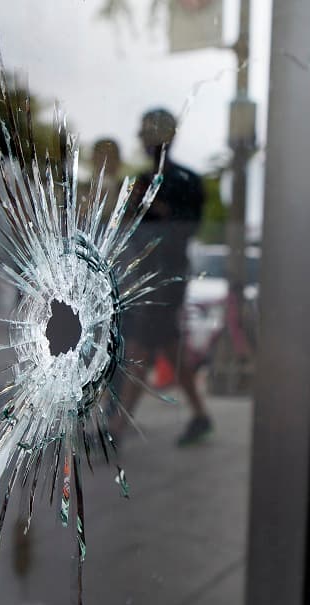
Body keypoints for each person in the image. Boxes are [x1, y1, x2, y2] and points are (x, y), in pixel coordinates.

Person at [112, 108, 212, 446]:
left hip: (167, 277)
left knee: (142, 346)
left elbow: (187, 228)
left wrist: (153, 205)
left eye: (149, 134)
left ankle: (118, 427)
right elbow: (127, 230)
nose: (143, 140)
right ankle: (199, 415)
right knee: (168, 348)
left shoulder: (186, 182)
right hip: (143, 275)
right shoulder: (136, 181)